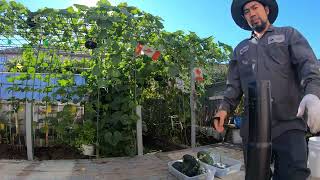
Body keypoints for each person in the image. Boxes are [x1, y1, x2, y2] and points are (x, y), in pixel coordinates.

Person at [213, 0, 320, 179]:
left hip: (289, 124)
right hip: (254, 129)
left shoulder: (288, 35)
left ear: (267, 10)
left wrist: (313, 94)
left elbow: (308, 66)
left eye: (255, 7)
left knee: (293, 175)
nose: (251, 13)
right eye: (246, 11)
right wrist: (224, 109)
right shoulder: (240, 50)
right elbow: (234, 86)